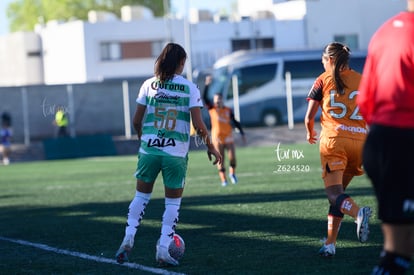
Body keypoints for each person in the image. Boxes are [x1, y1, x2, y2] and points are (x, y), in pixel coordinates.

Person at [115, 43, 222, 266]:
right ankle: (163, 248)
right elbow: (199, 125)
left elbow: (137, 120)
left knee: (141, 197)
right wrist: (211, 147)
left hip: (149, 150)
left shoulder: (149, 85)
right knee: (172, 203)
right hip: (175, 154)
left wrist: (141, 136)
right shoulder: (189, 88)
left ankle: (128, 237)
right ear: (180, 63)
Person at [357, 1, 414, 273]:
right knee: (399, 251)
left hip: (380, 142)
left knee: (398, 246)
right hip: (404, 143)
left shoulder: (385, 31)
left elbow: (366, 100)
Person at [304, 42, 372, 257]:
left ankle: (358, 213)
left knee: (334, 194)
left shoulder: (323, 79)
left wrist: (309, 132)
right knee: (338, 196)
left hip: (335, 141)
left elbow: (308, 117)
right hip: (360, 143)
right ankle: (330, 244)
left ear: (330, 60)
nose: (322, 64)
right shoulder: (363, 79)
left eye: (323, 61)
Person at [204, 76, 246, 186]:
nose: (217, 101)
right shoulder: (212, 109)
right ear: (214, 101)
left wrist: (242, 133)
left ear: (222, 100)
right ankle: (224, 180)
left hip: (228, 136)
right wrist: (207, 85)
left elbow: (235, 122)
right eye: (216, 100)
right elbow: (204, 97)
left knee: (232, 157)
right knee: (220, 159)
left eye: (219, 99)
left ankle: (232, 174)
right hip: (217, 138)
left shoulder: (228, 110)